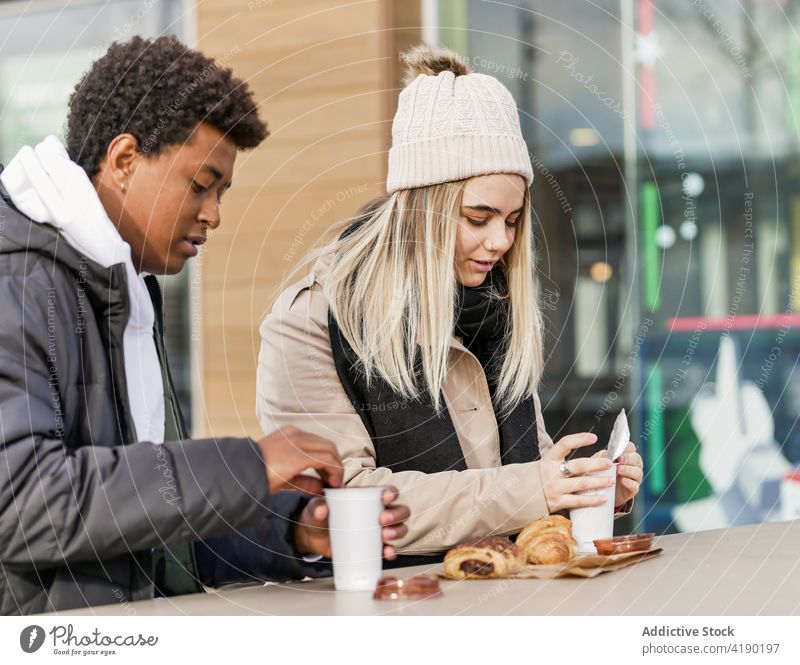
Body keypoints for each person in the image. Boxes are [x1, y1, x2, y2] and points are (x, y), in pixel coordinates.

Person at [0, 35, 409, 616]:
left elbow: (144, 532)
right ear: (123, 161)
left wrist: (292, 535)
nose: (213, 214)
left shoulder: (124, 288)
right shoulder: (17, 282)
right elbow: (24, 509)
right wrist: (247, 466)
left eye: (222, 191)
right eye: (200, 184)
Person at [256, 45, 643, 561]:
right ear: (422, 208)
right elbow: (345, 504)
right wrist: (538, 488)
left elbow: (523, 474)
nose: (501, 242)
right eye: (478, 218)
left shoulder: (495, 306)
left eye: (511, 220)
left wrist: (589, 489)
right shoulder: (312, 318)